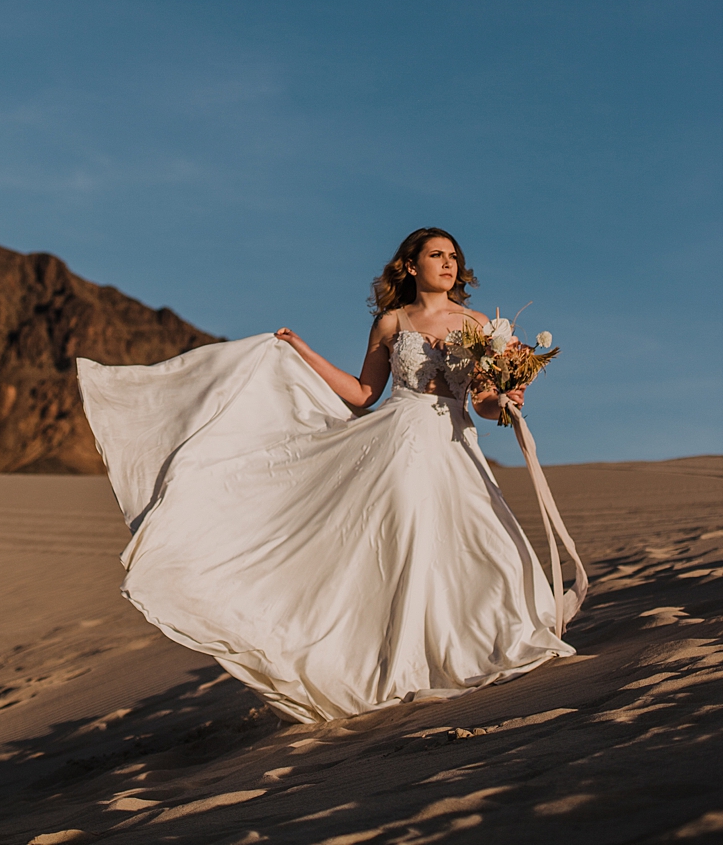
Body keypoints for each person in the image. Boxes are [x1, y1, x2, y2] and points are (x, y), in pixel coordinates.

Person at [77, 228, 576, 724]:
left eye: (453, 256)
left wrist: (507, 399)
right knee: (410, 547)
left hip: (454, 445)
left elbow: (484, 403)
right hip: (399, 444)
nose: (448, 264)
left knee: (481, 541)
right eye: (436, 255)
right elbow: (363, 394)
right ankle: (404, 667)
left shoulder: (481, 324)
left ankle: (487, 645)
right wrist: (302, 351)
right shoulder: (391, 322)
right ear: (410, 266)